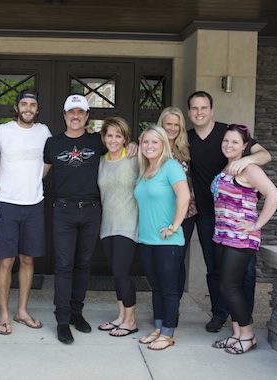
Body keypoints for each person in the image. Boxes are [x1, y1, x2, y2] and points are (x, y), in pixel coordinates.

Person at [43, 94, 137, 344]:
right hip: (63, 210)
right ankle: (62, 320)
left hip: (92, 210)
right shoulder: (52, 144)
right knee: (64, 266)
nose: (75, 116)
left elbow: (118, 141)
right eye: (71, 112)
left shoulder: (98, 140)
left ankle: (76, 313)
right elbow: (38, 175)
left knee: (84, 264)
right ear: (64, 115)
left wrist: (133, 145)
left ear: (86, 116)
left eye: (80, 112)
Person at [187, 91, 272, 332]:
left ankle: (245, 320)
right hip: (208, 215)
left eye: (204, 107)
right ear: (190, 111)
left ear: (212, 110)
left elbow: (265, 154)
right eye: (194, 108)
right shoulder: (187, 138)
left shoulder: (228, 134)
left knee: (244, 273)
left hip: (238, 218)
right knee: (214, 269)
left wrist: (246, 161)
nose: (199, 112)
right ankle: (219, 314)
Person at [211, 124, 277, 354]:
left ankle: (248, 335)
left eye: (234, 142)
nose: (229, 145)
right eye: (226, 141)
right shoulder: (227, 166)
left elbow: (274, 194)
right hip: (223, 236)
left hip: (241, 238)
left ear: (244, 146)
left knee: (229, 286)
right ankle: (237, 333)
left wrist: (256, 224)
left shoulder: (249, 168)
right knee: (231, 287)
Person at [0, 89, 51, 335]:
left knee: (28, 259)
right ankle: (4, 314)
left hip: (34, 203)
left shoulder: (44, 132)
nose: (28, 108)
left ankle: (22, 311)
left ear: (37, 109)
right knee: (6, 260)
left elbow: (49, 159)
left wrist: (37, 179)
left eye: (32, 105)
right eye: (24, 104)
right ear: (16, 107)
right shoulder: (2, 131)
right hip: (7, 203)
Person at [135, 126, 190, 350]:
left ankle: (168, 333)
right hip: (147, 240)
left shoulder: (171, 167)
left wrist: (174, 225)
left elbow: (184, 197)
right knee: (156, 287)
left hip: (168, 241)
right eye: (145, 142)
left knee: (168, 288)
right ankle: (158, 328)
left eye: (154, 142)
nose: (149, 146)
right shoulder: (145, 169)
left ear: (163, 145)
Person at [96, 116, 139, 337]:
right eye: (109, 135)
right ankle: (121, 316)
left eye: (118, 136)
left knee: (122, 272)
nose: (113, 140)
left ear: (125, 138)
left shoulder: (134, 158)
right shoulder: (101, 160)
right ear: (104, 137)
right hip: (107, 226)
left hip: (128, 224)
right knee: (115, 273)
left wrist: (137, 146)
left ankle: (130, 320)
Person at [157, 106, 197, 301]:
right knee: (161, 261)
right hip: (159, 213)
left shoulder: (185, 150)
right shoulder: (152, 147)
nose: (172, 128)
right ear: (161, 125)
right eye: (168, 124)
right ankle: (163, 304)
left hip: (185, 214)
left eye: (176, 125)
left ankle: (174, 305)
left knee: (177, 260)